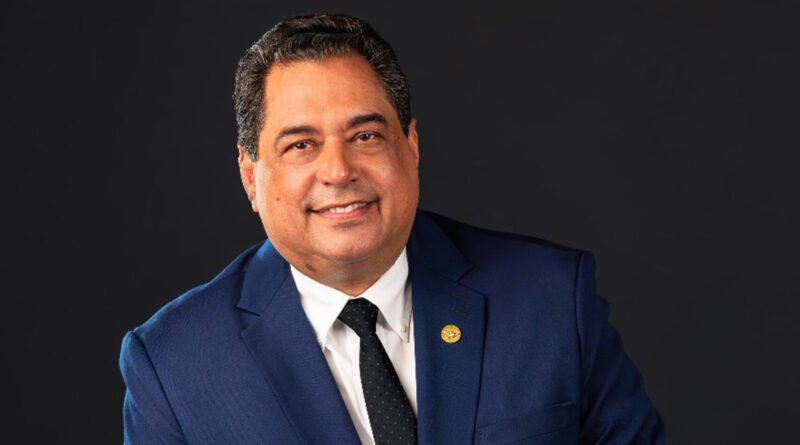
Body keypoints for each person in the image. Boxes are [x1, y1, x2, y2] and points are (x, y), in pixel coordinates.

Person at [119, 13, 665, 445]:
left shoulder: (551, 298)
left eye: (365, 136)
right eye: (301, 145)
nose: (338, 171)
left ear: (412, 145)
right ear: (250, 177)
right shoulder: (174, 364)